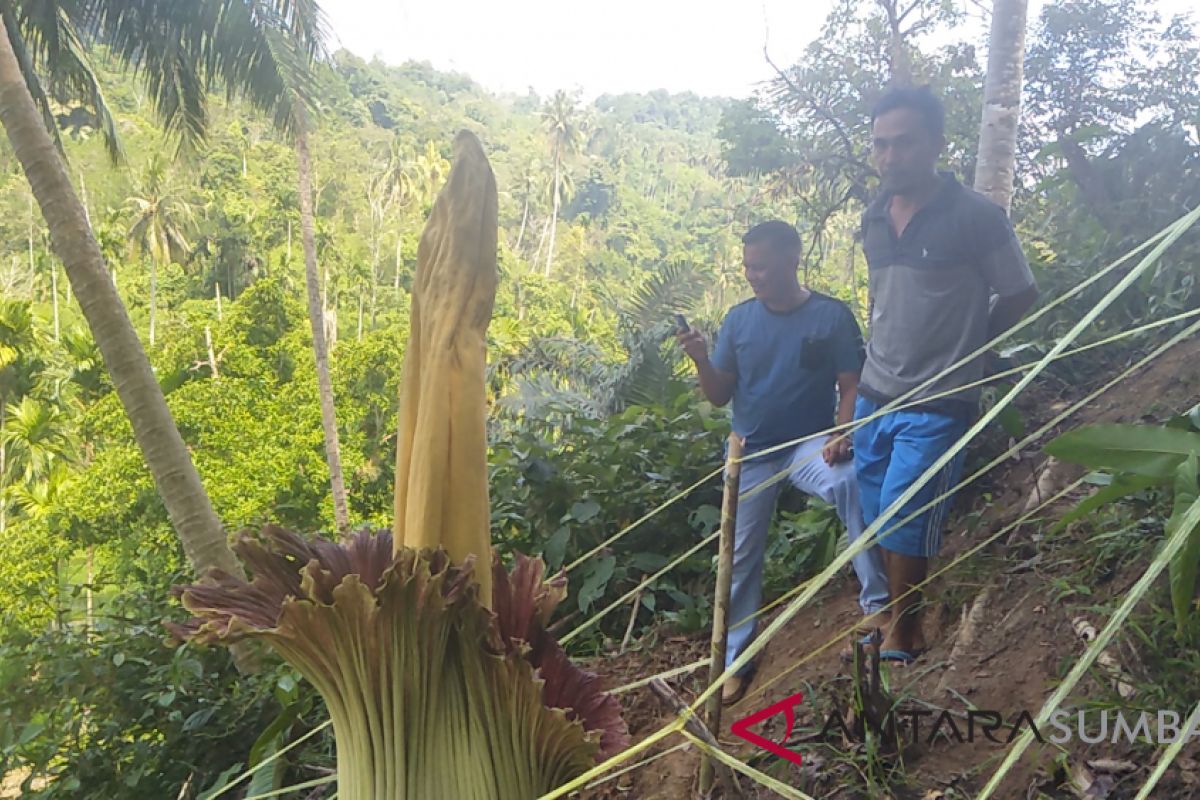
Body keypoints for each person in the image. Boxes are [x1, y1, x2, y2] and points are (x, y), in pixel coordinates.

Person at [853, 86, 1039, 663]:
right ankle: (886, 615)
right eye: (881, 145)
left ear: (936, 143)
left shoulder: (976, 217)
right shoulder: (874, 216)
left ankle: (906, 637)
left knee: (907, 515)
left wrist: (974, 352)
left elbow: (1019, 294)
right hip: (874, 391)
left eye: (904, 143)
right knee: (876, 508)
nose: (890, 157)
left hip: (940, 396)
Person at [677, 220, 887, 704]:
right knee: (740, 554)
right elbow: (718, 395)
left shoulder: (831, 317)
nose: (754, 275)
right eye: (748, 266)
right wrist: (701, 359)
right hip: (751, 450)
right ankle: (735, 661)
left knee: (850, 481)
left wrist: (843, 430)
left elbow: (851, 382)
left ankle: (878, 602)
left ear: (792, 260)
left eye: (762, 266)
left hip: (808, 442)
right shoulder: (739, 320)